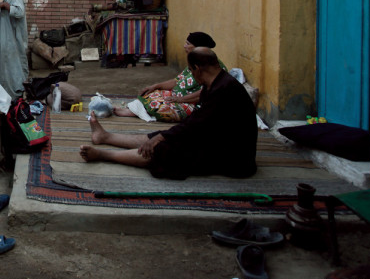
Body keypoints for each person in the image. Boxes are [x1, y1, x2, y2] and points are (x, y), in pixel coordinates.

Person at [79, 48, 257, 180]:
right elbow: (196, 122)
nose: (192, 76)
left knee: (162, 148)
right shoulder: (215, 83)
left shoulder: (225, 89)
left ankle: (103, 155)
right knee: (161, 136)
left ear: (197, 68)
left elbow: (198, 125)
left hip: (233, 157)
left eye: (191, 71)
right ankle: (106, 137)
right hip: (214, 139)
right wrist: (164, 135)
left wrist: (163, 138)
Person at [114, 31, 225, 122]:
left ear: (198, 48)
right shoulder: (195, 60)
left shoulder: (213, 67)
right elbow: (177, 81)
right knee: (150, 93)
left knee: (162, 108)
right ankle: (137, 110)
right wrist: (156, 86)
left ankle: (136, 112)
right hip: (180, 96)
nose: (184, 46)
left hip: (196, 104)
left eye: (188, 44)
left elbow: (206, 93)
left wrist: (181, 99)